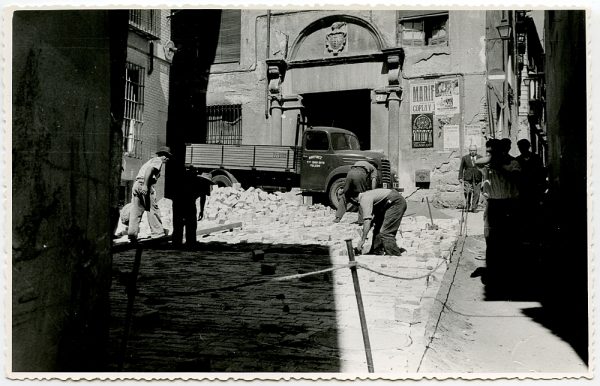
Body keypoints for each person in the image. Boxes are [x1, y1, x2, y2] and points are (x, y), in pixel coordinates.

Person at [475, 139, 522, 291]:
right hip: (493, 204)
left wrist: (500, 167)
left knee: (508, 240)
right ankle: (492, 274)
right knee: (491, 240)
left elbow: (515, 179)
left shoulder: (513, 163)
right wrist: (493, 159)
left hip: (509, 204)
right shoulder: (489, 163)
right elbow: (477, 162)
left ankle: (508, 275)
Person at [128, 146, 172, 242]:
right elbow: (149, 170)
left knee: (136, 210)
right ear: (164, 156)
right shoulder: (158, 161)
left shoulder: (150, 161)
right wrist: (145, 185)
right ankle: (158, 234)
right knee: (152, 209)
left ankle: (132, 234)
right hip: (144, 184)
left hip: (136, 185)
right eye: (167, 156)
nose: (168, 159)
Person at [352, 188, 407, 256]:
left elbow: (367, 221)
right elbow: (372, 220)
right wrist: (368, 227)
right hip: (388, 203)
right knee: (378, 226)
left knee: (386, 232)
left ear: (353, 199)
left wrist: (363, 240)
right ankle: (376, 251)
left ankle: (394, 256)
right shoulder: (366, 195)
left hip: (395, 203)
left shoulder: (364, 199)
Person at [172, 169, 215, 247]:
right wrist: (200, 211)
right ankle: (179, 243)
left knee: (189, 224)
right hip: (180, 201)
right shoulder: (194, 182)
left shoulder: (203, 184)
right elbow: (202, 197)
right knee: (182, 223)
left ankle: (188, 243)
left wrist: (201, 211)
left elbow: (203, 197)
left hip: (187, 202)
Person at [458, 144, 483, 212]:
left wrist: (484, 177)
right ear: (469, 151)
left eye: (474, 150)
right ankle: (468, 205)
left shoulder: (480, 158)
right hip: (467, 178)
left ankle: (474, 207)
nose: (472, 152)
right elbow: (461, 168)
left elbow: (484, 168)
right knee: (467, 192)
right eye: (471, 150)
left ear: (476, 150)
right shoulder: (465, 158)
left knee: (477, 193)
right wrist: (460, 177)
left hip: (478, 178)